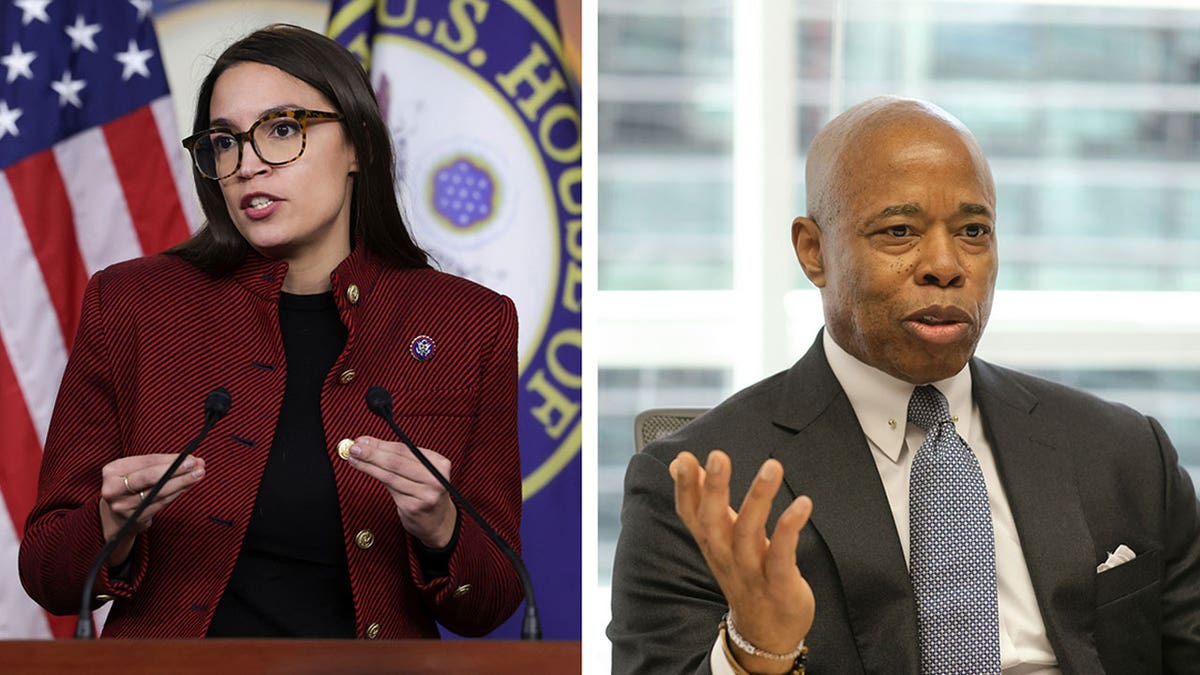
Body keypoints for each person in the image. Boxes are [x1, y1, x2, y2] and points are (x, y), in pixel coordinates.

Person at [608, 96, 1200, 674]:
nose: (946, 265)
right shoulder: (702, 487)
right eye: (899, 231)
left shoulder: (1126, 453)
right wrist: (754, 652)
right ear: (813, 252)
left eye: (973, 230)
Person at [19, 24, 523, 639]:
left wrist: (442, 525)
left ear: (360, 142)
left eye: (282, 129)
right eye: (224, 142)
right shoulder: (131, 304)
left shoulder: (467, 322)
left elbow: (491, 602)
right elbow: (46, 573)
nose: (248, 163)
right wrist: (108, 524)